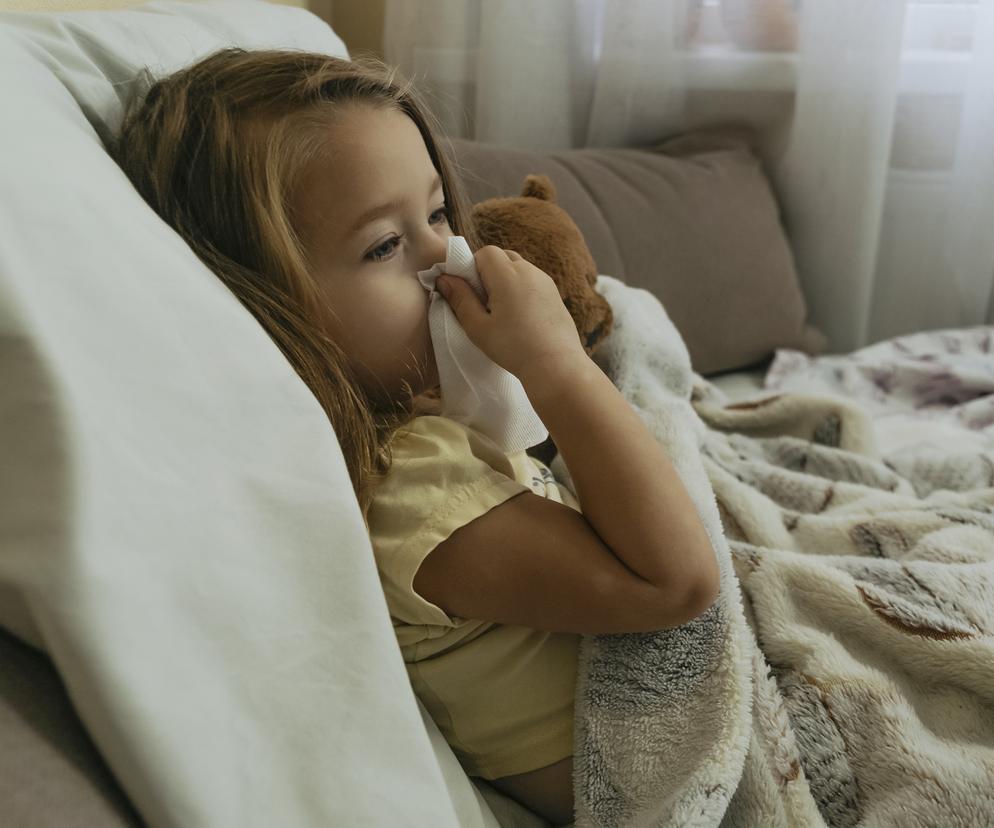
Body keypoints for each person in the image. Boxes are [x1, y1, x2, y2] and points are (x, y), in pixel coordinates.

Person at [112, 48, 720, 827]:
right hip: (650, 771)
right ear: (267, 310)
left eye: (436, 215)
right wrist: (557, 362)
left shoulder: (424, 425)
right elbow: (678, 587)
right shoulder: (406, 489)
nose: (448, 258)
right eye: (383, 247)